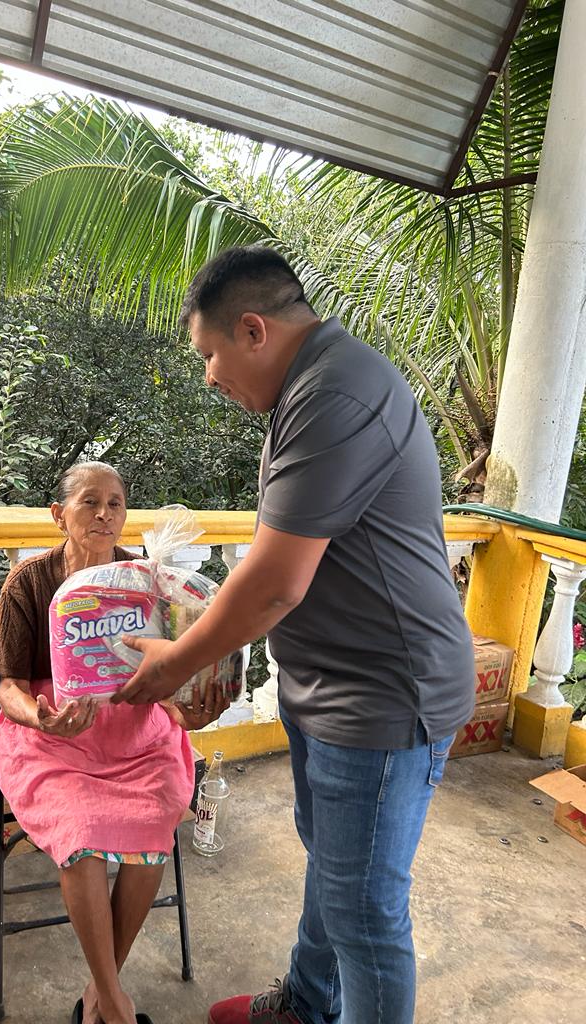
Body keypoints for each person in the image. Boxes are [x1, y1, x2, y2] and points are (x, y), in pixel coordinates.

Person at [113, 248, 476, 1024]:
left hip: (382, 695)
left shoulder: (337, 391)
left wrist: (176, 663)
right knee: (337, 871)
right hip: (334, 685)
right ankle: (306, 1006)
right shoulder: (311, 385)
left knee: (366, 914)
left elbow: (276, 582)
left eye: (209, 354)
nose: (208, 375)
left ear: (252, 330)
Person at [0, 461, 228, 1024]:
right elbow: (7, 689)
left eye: (115, 504)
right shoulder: (30, 582)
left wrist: (185, 709)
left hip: (136, 727)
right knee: (82, 836)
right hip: (53, 732)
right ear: (59, 514)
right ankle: (115, 1005)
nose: (104, 514)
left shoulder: (145, 580)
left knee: (155, 821)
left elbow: (163, 678)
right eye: (90, 502)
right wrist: (41, 719)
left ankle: (101, 998)